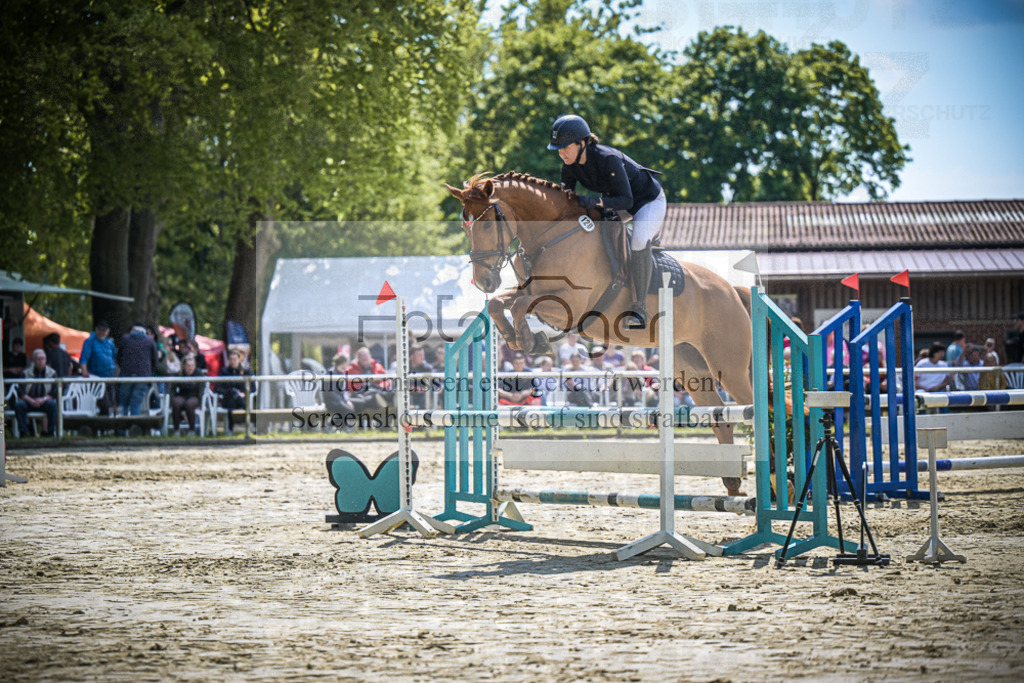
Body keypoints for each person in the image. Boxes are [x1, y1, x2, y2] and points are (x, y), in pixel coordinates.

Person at [548, 113, 665, 329]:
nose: (561, 152)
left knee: (638, 241)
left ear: (582, 143)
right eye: (558, 149)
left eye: (565, 147)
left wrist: (594, 201)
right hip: (618, 202)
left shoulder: (606, 158)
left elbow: (627, 199)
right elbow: (566, 201)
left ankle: (639, 307)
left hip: (646, 201)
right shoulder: (569, 166)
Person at [15, 349, 58, 437]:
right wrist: (31, 400)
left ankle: (51, 432)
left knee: (53, 404)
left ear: (45, 360)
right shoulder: (25, 373)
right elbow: (20, 391)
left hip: (45, 401)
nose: (40, 361)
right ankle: (23, 432)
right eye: (38, 359)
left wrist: (43, 399)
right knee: (19, 405)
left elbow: (55, 391)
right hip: (29, 401)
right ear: (33, 360)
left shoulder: (52, 373)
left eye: (42, 359)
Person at [117, 323, 157, 418]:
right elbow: (154, 360)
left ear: (133, 330)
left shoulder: (125, 339)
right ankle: (134, 427)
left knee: (123, 403)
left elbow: (119, 357)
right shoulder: (150, 341)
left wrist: (125, 368)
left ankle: (121, 429)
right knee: (136, 403)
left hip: (126, 376)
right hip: (143, 376)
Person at [79, 321, 117, 414]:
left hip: (110, 376)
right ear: (96, 330)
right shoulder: (90, 342)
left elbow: (114, 358)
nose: (102, 332)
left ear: (107, 332)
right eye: (99, 330)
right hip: (97, 377)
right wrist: (84, 371)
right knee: (103, 402)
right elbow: (84, 358)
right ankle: (103, 424)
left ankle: (111, 425)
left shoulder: (109, 343)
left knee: (113, 401)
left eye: (104, 330)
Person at [217, 349, 252, 434]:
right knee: (231, 402)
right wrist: (228, 392)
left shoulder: (246, 372)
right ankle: (232, 428)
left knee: (240, 401)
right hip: (228, 399)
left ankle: (247, 427)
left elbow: (253, 387)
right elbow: (217, 388)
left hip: (241, 399)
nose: (233, 361)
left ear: (239, 359)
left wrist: (244, 393)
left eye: (235, 359)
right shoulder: (224, 372)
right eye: (231, 359)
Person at [170, 355, 205, 435]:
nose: (190, 368)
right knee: (176, 403)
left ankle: (191, 430)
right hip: (182, 394)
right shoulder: (179, 374)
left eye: (192, 365)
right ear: (184, 366)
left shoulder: (199, 374)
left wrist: (200, 404)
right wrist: (170, 402)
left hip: (194, 396)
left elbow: (201, 391)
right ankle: (176, 430)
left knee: (189, 404)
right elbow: (172, 389)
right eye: (188, 366)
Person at [408, 345, 435, 410]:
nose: (422, 358)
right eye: (419, 355)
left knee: (426, 397)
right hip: (409, 395)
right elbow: (399, 385)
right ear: (411, 357)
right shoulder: (405, 368)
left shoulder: (428, 368)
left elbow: (433, 385)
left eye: (423, 355)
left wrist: (419, 389)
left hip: (422, 395)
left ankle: (423, 418)